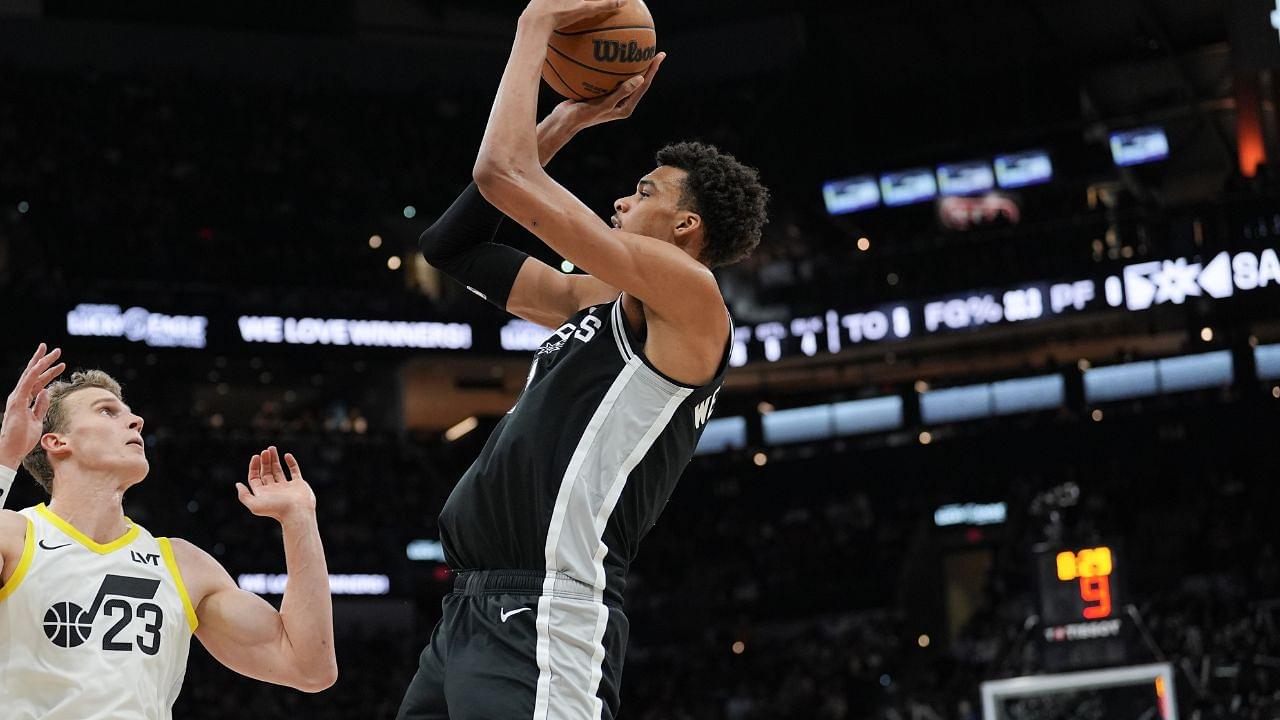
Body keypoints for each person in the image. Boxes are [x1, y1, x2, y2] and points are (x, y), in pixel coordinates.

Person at [400, 1, 769, 717]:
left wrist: (535, 27)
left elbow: (503, 170)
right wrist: (565, 121)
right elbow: (452, 246)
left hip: (548, 611)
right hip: (468, 612)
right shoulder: (593, 301)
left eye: (645, 192)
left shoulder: (692, 298)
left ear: (686, 225)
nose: (622, 199)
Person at [0, 343, 338, 719]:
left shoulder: (182, 563)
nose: (136, 421)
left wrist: (300, 519)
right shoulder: (15, 535)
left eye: (129, 413)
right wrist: (5, 456)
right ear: (56, 441)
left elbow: (309, 667)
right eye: (107, 412)